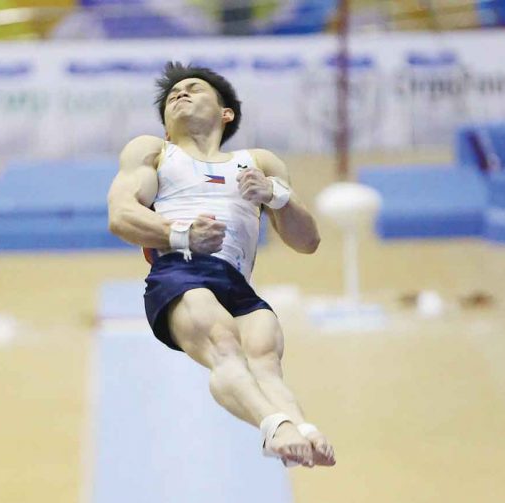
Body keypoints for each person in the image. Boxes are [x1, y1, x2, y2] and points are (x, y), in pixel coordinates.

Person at [107, 62, 335, 468]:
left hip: (237, 285)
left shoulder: (259, 162)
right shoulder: (154, 152)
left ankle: (304, 429)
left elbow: (308, 242)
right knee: (224, 344)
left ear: (226, 112)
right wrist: (180, 235)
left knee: (264, 356)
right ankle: (273, 426)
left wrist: (276, 196)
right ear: (164, 125)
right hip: (180, 272)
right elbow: (120, 215)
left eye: (193, 88)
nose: (180, 93)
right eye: (172, 94)